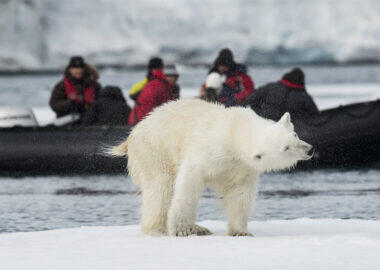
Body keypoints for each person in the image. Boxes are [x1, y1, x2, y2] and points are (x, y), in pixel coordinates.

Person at [247, 68, 319, 121]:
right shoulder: (304, 96)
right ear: (302, 80)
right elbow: (315, 117)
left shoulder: (271, 87)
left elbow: (251, 99)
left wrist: (260, 114)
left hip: (266, 125)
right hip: (288, 132)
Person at [128, 57, 173, 125]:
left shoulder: (148, 82)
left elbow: (132, 94)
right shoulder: (162, 83)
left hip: (135, 119)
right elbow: (166, 106)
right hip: (144, 123)